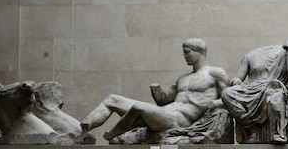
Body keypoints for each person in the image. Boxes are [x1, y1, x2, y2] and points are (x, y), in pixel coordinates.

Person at [81, 39, 229, 142]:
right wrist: (155, 88)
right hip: (164, 113)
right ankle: (82, 129)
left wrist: (213, 104)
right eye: (184, 52)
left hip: (178, 120)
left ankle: (115, 132)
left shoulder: (215, 73)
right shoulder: (183, 78)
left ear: (199, 52)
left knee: (139, 107)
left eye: (187, 52)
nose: (184, 55)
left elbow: (229, 98)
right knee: (111, 99)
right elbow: (163, 100)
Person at [220, 45, 288, 144]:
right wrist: (236, 82)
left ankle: (279, 133)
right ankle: (248, 124)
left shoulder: (286, 54)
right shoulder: (250, 56)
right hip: (251, 89)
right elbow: (238, 78)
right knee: (226, 93)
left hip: (273, 87)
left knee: (274, 95)